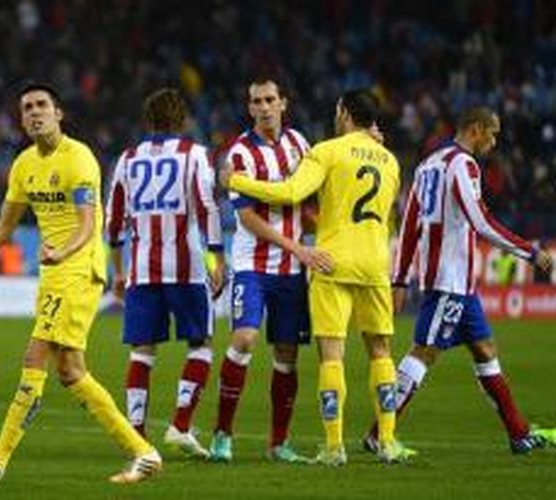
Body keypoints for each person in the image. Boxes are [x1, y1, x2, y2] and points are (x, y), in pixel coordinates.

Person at [0, 82, 162, 484]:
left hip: (78, 266)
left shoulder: (79, 158)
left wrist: (62, 251)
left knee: (34, 357)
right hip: (54, 271)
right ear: (21, 120)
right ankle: (143, 452)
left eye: (41, 105)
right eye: (27, 108)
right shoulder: (23, 165)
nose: (34, 113)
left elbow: (89, 224)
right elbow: (4, 227)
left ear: (58, 113)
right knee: (71, 371)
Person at [221, 88, 412, 465]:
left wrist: (236, 182)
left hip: (332, 261)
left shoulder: (326, 150)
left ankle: (334, 447)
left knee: (331, 354)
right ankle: (388, 441)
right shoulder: (390, 161)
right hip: (375, 261)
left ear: (343, 112)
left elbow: (291, 191)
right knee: (380, 351)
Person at [363, 106, 556, 454]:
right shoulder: (463, 165)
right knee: (422, 354)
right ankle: (379, 434)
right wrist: (530, 251)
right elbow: (481, 223)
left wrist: (402, 278)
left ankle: (518, 434)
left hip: (460, 285)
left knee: (485, 351)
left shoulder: (427, 165)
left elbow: (409, 226)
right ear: (476, 129)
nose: (494, 142)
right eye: (492, 133)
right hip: (448, 280)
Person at [209, 77, 333, 464]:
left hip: (292, 270)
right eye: (256, 101)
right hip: (253, 265)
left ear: (283, 103)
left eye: (269, 100)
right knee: (244, 338)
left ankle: (278, 443)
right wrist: (299, 247)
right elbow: (246, 218)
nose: (263, 107)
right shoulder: (240, 155)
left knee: (287, 355)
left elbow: (313, 198)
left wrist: (318, 232)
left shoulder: (301, 146)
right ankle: (222, 435)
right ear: (249, 108)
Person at [105, 87, 225, 459]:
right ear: (182, 120)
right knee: (200, 345)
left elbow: (113, 223)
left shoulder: (127, 159)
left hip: (141, 270)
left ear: (148, 120)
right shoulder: (194, 155)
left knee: (143, 351)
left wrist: (120, 272)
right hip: (186, 267)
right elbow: (207, 207)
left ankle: (136, 437)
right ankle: (181, 426)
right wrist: (217, 257)